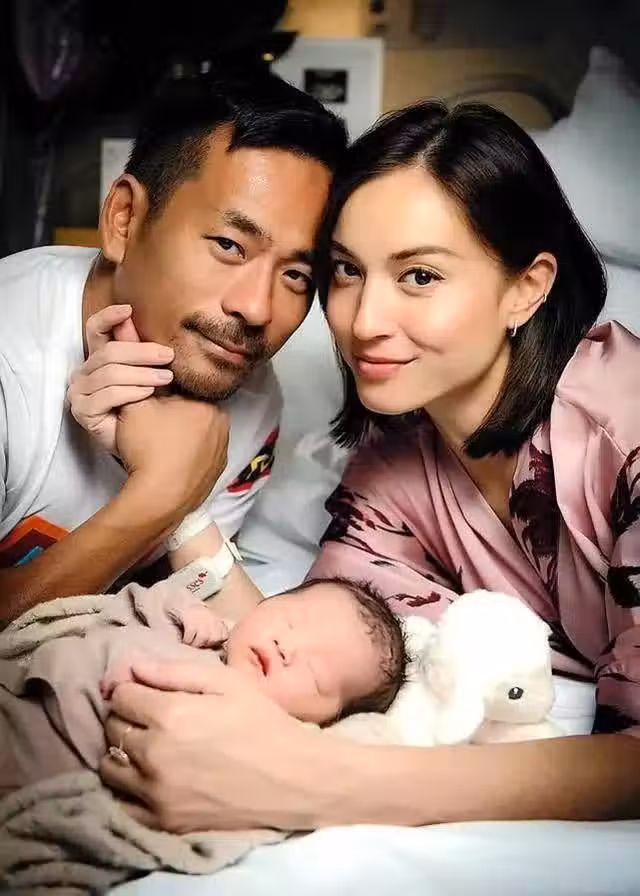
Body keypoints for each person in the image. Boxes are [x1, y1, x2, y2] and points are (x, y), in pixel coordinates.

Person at [96, 99, 639, 833]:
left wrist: (311, 782)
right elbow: (326, 653)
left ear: (526, 287)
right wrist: (173, 502)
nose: (363, 321)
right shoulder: (397, 466)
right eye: (347, 271)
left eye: (420, 276)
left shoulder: (626, 432)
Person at [0, 68, 347, 624]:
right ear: (124, 220)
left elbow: (181, 610)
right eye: (229, 245)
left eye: (297, 275)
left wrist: (181, 512)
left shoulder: (250, 393)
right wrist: (161, 494)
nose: (257, 309)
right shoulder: (10, 356)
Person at [0, 567, 406, 795]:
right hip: (29, 693)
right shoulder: (205, 631)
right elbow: (132, 605)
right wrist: (180, 610)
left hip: (51, 770)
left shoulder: (255, 735)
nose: (288, 648)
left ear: (324, 721)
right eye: (291, 620)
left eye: (315, 676)